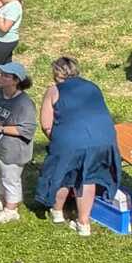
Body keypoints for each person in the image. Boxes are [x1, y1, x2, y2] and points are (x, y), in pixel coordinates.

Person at [35, 55, 119, 235]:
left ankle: (57, 212)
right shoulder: (93, 87)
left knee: (62, 173)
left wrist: (58, 143)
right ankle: (83, 223)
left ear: (56, 73)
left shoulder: (54, 91)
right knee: (88, 177)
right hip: (103, 139)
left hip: (71, 139)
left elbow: (46, 124)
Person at [0, 61, 36, 223]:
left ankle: (11, 209)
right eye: (1, 74)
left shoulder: (25, 103)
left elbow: (27, 129)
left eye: (5, 76)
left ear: (16, 80)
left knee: (11, 178)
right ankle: (2, 201)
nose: (0, 77)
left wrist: (2, 129)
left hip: (13, 149)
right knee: (0, 174)